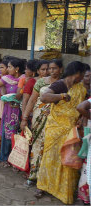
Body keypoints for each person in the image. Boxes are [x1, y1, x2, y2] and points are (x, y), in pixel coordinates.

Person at [37, 61, 86, 204]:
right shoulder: (60, 85)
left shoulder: (81, 89)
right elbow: (44, 97)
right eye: (82, 74)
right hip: (55, 130)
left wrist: (81, 118)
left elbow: (84, 105)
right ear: (77, 73)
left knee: (67, 160)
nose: (83, 77)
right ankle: (43, 186)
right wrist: (62, 96)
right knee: (50, 158)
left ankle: (64, 192)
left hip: (71, 131)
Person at [20, 59, 62, 192]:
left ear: (61, 69)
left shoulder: (65, 83)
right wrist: (25, 118)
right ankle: (34, 175)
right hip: (39, 118)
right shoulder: (41, 82)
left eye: (54, 68)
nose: (51, 71)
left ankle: (48, 179)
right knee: (38, 145)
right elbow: (32, 100)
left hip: (56, 121)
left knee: (52, 147)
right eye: (50, 68)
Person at [0, 58, 24, 166]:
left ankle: (16, 160)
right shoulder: (7, 79)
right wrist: (1, 97)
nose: (8, 69)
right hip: (9, 110)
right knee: (7, 133)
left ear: (17, 69)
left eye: (10, 67)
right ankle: (4, 158)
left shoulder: (24, 79)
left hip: (20, 109)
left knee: (18, 134)